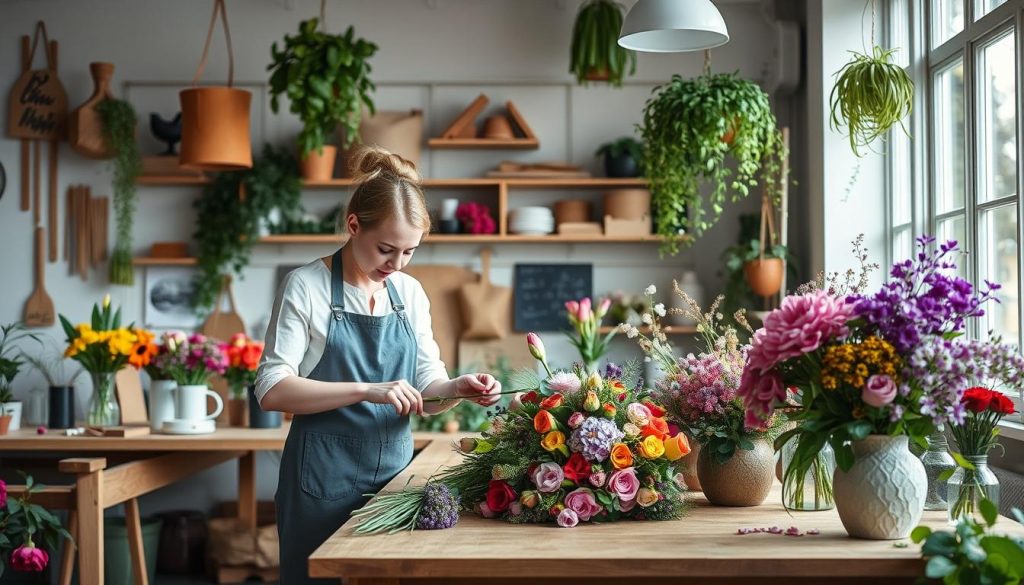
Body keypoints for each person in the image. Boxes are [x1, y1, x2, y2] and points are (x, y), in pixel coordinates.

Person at [255, 145, 501, 584]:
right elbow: (272, 389)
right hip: (319, 481)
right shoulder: (306, 286)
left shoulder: (409, 293)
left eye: (409, 252)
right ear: (354, 225)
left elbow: (427, 389)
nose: (397, 264)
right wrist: (367, 389)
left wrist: (457, 388)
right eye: (387, 249)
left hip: (393, 482)